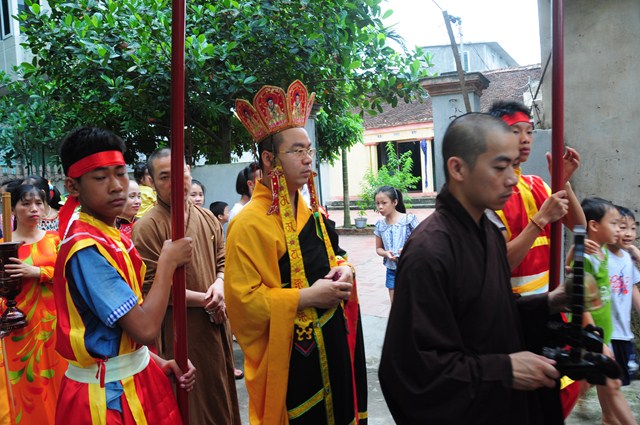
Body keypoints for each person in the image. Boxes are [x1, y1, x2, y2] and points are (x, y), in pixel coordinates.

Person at [379, 113, 571, 424]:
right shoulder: (429, 252)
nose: (512, 179)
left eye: (513, 166)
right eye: (499, 167)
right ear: (458, 168)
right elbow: (410, 371)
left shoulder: (488, 232)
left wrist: (550, 302)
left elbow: (491, 316)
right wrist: (504, 369)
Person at [226, 80, 367, 424]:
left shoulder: (310, 213)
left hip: (331, 339)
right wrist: (306, 297)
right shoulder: (249, 224)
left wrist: (345, 270)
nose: (307, 159)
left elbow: (335, 256)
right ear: (269, 158)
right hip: (290, 357)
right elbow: (243, 303)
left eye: (309, 150)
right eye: (296, 151)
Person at [53, 126, 196, 424]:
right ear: (73, 186)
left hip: (140, 376)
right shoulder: (86, 249)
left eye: (120, 173)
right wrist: (167, 263)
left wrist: (155, 361)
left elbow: (118, 333)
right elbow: (144, 329)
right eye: (100, 178)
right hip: (106, 397)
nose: (117, 186)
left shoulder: (111, 234)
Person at [132, 148, 242, 425]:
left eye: (180, 173)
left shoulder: (207, 218)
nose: (175, 182)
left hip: (214, 324)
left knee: (220, 395)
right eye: (164, 177)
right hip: (179, 328)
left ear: (189, 170)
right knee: (189, 404)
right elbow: (154, 288)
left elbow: (223, 260)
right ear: (151, 181)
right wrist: (208, 299)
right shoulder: (147, 227)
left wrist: (220, 284)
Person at [487, 101, 585, 295]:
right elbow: (501, 262)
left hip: (546, 296)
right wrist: (541, 218)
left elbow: (579, 227)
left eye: (529, 132)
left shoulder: (536, 184)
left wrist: (563, 182)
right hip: (510, 301)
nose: (525, 139)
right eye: (515, 132)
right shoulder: (488, 194)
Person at [0, 184, 66, 424]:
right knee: (27, 387)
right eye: (26, 204)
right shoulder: (3, 246)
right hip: (20, 327)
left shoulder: (56, 240)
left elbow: (69, 276)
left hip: (55, 323)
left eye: (39, 203)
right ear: (12, 209)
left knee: (60, 379)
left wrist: (37, 272)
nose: (33, 209)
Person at [576, 197, 637, 425]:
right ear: (594, 226)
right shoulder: (591, 256)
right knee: (611, 384)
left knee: (606, 382)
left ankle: (606, 417)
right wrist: (597, 340)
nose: (621, 231)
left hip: (609, 334)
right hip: (596, 335)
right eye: (615, 224)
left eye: (629, 227)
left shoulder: (606, 254)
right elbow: (580, 301)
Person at [608, 206, 640, 385]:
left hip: (624, 334)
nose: (629, 233)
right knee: (611, 384)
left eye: (633, 228)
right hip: (606, 333)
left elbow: (632, 288)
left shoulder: (627, 258)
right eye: (622, 227)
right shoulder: (601, 256)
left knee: (617, 382)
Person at [373, 185, 418, 302]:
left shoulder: (409, 219)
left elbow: (421, 241)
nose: (380, 207)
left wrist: (407, 249)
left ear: (395, 202)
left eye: (384, 203)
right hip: (391, 270)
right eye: (377, 203)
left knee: (412, 304)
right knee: (395, 306)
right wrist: (386, 253)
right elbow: (378, 249)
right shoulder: (380, 225)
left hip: (410, 268)